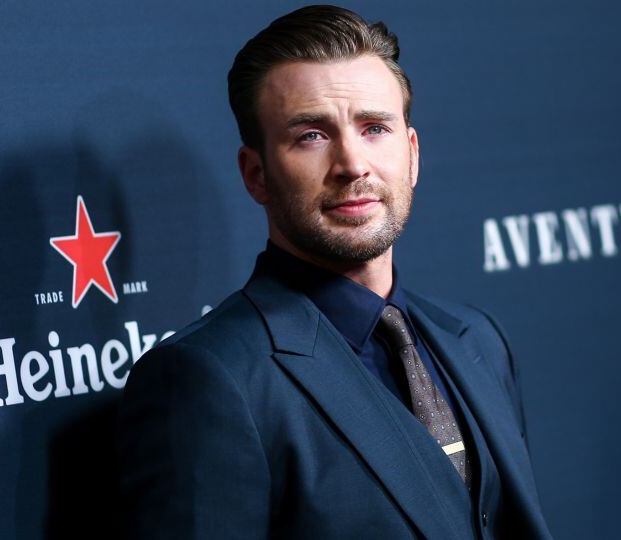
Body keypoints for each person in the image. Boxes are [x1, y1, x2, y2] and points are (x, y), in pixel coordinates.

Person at [116, 5, 553, 539]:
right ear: (256, 175)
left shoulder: (478, 339)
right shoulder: (211, 379)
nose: (352, 164)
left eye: (375, 128)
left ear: (411, 154)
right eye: (312, 136)